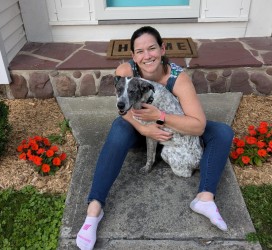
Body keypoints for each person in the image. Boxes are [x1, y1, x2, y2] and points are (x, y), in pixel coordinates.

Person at [76, 26, 234, 250]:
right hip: (142, 133)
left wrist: (160, 116)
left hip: (170, 128)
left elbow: (198, 125)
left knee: (223, 132)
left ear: (162, 49)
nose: (146, 55)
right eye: (139, 51)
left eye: (152, 48)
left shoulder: (178, 78)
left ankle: (205, 198)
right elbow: (121, 107)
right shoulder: (125, 70)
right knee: (119, 129)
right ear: (133, 56)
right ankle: (94, 210)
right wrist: (143, 129)